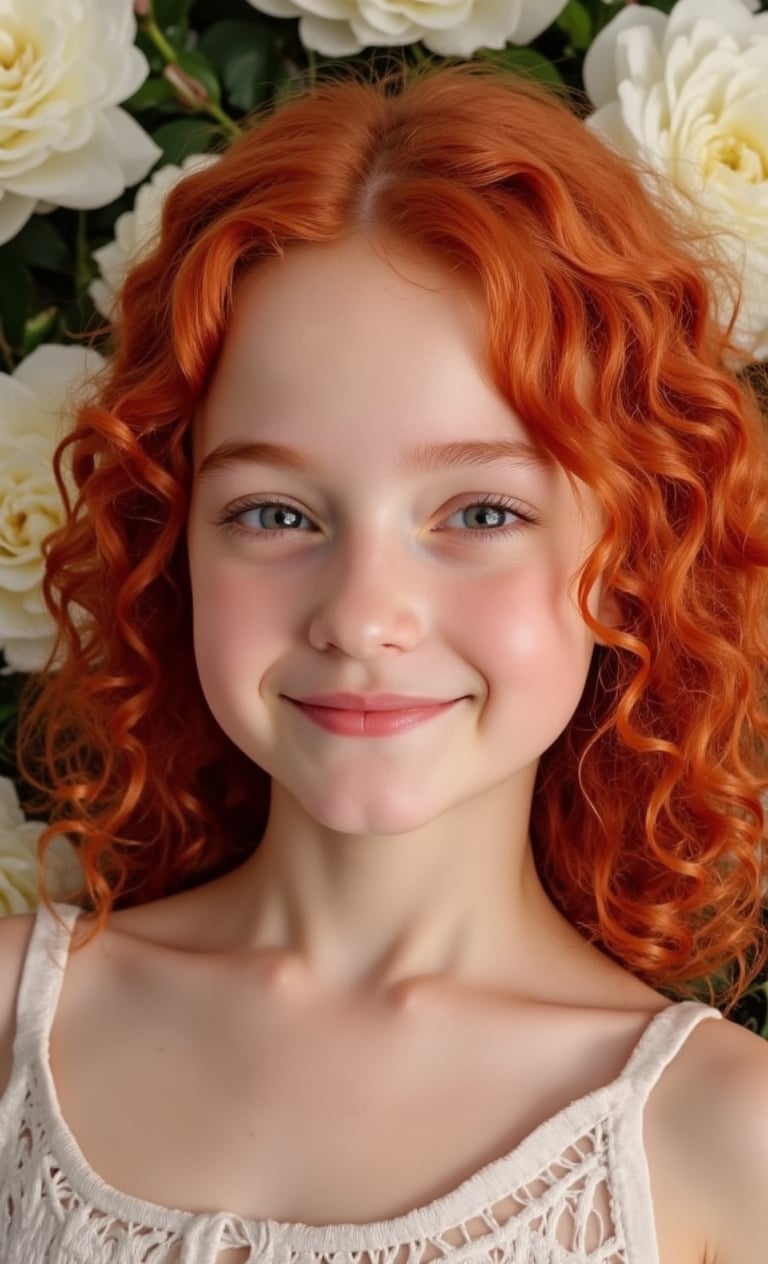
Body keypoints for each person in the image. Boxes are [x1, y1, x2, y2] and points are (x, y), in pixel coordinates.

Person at [1, 64, 768, 1264]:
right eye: (275, 513)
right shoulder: (10, 1030)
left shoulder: (723, 1140)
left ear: (627, 552)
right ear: (173, 546)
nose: (363, 616)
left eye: (479, 513)